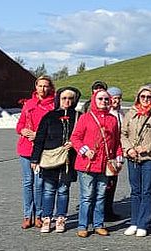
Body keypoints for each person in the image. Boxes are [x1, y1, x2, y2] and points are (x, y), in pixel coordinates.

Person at [69, 89, 123, 237]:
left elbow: (117, 142)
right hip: (87, 163)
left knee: (100, 196)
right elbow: (75, 138)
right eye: (100, 99)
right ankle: (83, 225)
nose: (104, 102)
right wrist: (85, 150)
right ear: (94, 100)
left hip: (104, 164)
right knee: (87, 197)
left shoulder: (113, 119)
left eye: (106, 99)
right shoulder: (85, 118)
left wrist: (119, 157)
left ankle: (99, 224)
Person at [29, 86, 81, 233]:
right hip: (50, 157)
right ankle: (46, 218)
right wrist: (35, 159)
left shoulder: (79, 116)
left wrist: (74, 143)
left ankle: (61, 218)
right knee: (49, 190)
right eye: (64, 98)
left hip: (68, 159)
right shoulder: (49, 116)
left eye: (71, 99)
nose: (67, 101)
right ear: (59, 99)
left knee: (64, 189)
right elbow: (39, 138)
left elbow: (83, 137)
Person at [120, 85, 151, 238]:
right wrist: (128, 149)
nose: (146, 100)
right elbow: (123, 133)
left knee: (147, 191)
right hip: (132, 156)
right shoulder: (131, 113)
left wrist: (146, 148)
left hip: (149, 157)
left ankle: (143, 223)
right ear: (138, 97)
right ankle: (134, 221)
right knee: (135, 191)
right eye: (143, 97)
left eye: (149, 97)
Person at [16, 75, 55, 229]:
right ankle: (27, 215)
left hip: (42, 150)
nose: (42, 89)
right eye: (40, 86)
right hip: (26, 148)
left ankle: (39, 215)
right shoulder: (29, 104)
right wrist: (23, 130)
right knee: (27, 182)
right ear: (36, 87)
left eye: (46, 86)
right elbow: (19, 125)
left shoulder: (53, 106)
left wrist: (38, 135)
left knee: (39, 183)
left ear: (50, 88)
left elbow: (54, 129)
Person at [103, 86, 125, 221]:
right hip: (107, 152)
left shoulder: (122, 114)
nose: (116, 101)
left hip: (118, 151)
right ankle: (102, 210)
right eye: (114, 98)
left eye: (118, 98)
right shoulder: (107, 113)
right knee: (104, 184)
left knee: (112, 182)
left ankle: (109, 209)